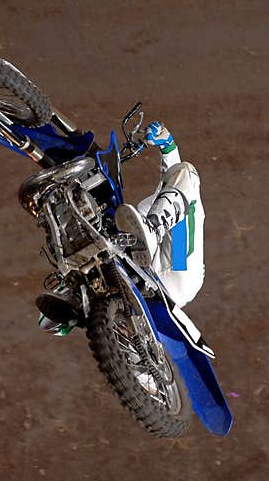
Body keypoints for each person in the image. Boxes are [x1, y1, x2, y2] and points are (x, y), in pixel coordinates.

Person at [37, 121, 205, 335]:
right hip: (177, 270)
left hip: (160, 272)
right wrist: (168, 147)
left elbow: (170, 185)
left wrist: (168, 147)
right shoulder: (170, 205)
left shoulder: (157, 207)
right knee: (187, 174)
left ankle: (81, 304)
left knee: (146, 211)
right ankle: (151, 232)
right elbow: (178, 180)